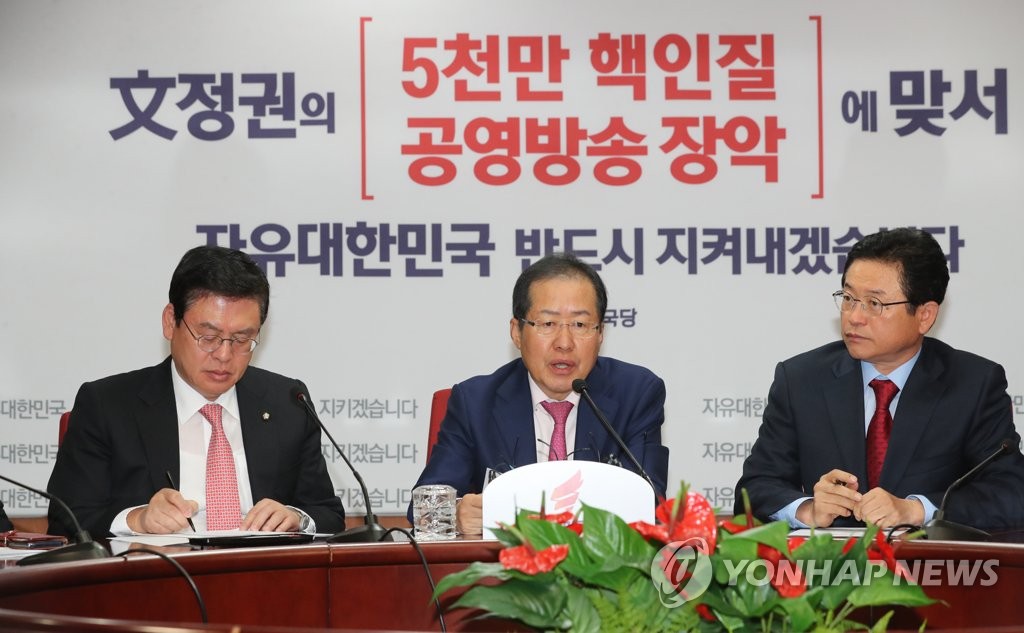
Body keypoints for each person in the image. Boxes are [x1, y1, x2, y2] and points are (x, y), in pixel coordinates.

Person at [47, 246, 346, 538]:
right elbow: (66, 521)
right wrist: (137, 519)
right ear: (170, 322)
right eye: (208, 337)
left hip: (262, 571)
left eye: (242, 339)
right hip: (160, 569)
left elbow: (329, 514)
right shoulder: (107, 406)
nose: (224, 355)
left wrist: (296, 518)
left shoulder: (288, 403)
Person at [735, 227, 1024, 530]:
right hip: (832, 561)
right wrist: (807, 509)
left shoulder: (973, 384)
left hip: (931, 560)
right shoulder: (801, 380)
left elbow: (1012, 492)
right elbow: (754, 489)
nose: (854, 317)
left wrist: (916, 509)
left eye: (874, 303)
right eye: (848, 298)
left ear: (924, 315)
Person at [410, 252, 669, 535]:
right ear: (517, 332)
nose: (564, 343)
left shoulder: (636, 394)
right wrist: (457, 513)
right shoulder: (475, 402)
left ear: (600, 334)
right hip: (506, 562)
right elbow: (423, 510)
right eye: (547, 324)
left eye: (580, 325)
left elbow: (651, 504)